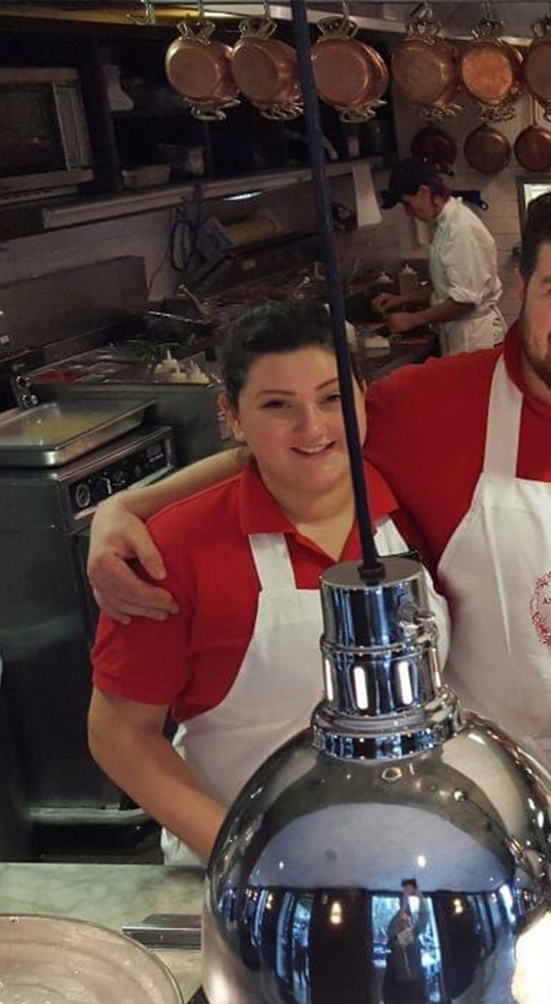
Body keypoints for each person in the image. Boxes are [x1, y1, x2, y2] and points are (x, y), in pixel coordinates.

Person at [85, 184, 551, 869]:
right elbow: (298, 448)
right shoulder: (424, 403)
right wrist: (128, 508)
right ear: (520, 288)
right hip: (473, 813)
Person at [87, 298, 449, 865]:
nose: (312, 427)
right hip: (244, 865)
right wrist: (244, 857)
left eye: (332, 398)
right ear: (232, 416)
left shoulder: (417, 501)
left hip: (411, 851)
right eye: (277, 405)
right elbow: (119, 734)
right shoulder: (174, 550)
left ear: (363, 397)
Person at [373, 158, 507, 356]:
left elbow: (464, 301)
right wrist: (400, 299)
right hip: (462, 336)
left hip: (476, 339)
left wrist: (412, 319)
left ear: (424, 192)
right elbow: (444, 286)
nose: (407, 212)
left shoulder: (461, 231)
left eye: (407, 203)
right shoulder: (446, 225)